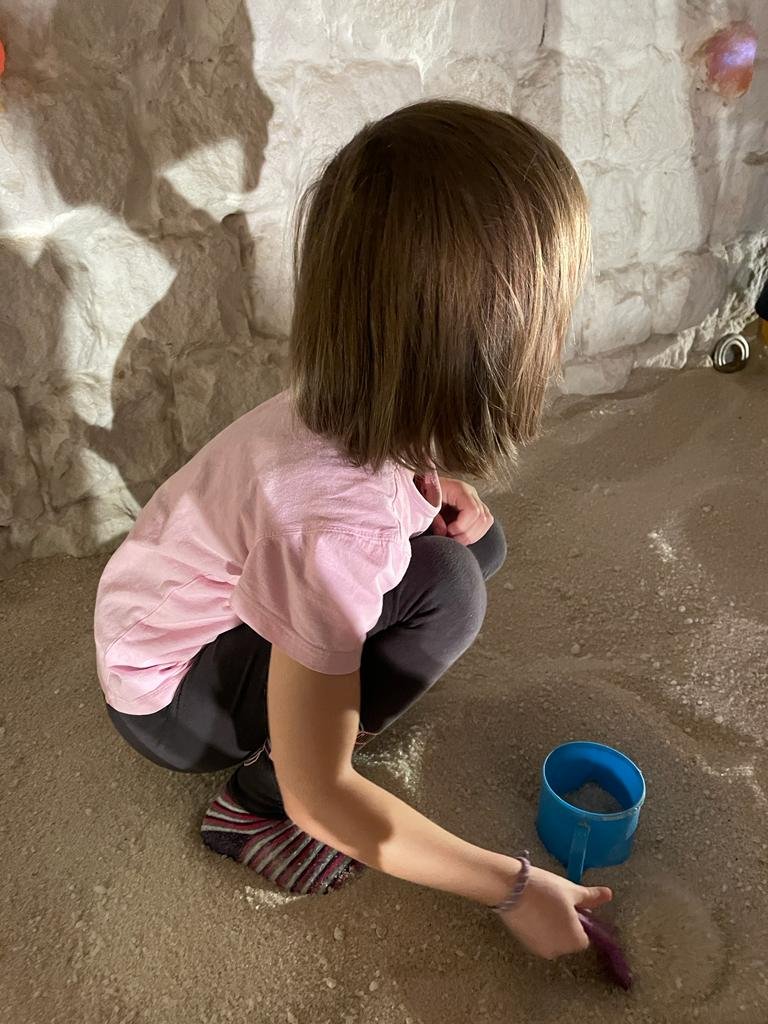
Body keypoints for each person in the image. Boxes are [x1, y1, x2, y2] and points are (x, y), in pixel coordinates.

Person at [94, 99, 613, 961]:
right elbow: (324, 797)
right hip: (169, 703)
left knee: (476, 545)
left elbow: (373, 488)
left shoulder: (352, 392)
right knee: (451, 589)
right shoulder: (335, 523)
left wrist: (432, 489)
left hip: (170, 610)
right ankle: (248, 805)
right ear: (491, 345)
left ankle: (310, 710)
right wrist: (515, 888)